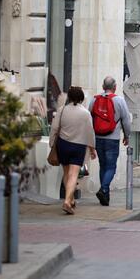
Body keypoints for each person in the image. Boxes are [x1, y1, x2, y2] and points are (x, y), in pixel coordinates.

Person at [49, 86, 97, 215]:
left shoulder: (62, 110)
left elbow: (54, 128)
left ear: (69, 97)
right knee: (73, 174)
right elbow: (90, 132)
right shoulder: (85, 113)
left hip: (63, 145)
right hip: (78, 146)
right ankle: (66, 201)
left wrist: (51, 143)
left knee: (66, 173)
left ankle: (71, 199)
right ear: (81, 98)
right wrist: (92, 148)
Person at [88, 76, 132, 206]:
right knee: (111, 166)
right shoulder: (119, 101)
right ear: (115, 87)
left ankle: (105, 196)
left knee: (103, 165)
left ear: (103, 87)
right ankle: (104, 189)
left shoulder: (94, 100)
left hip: (98, 138)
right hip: (112, 139)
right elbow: (126, 120)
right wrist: (127, 135)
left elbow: (89, 117)